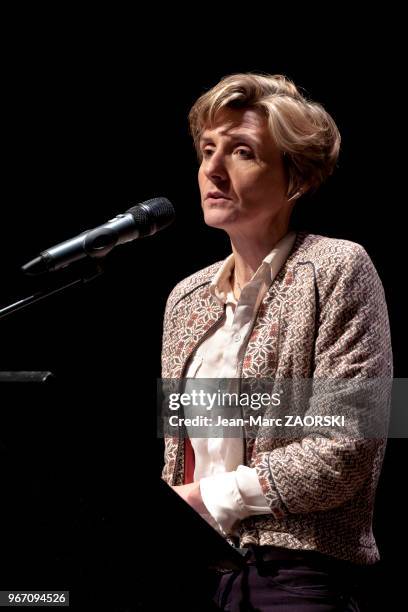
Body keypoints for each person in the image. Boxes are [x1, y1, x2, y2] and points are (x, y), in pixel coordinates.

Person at [160, 73, 392, 611]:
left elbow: (347, 448)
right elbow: (178, 454)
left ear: (298, 179)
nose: (213, 170)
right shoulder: (186, 298)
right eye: (207, 150)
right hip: (194, 573)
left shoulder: (337, 268)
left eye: (242, 152)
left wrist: (205, 500)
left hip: (297, 576)